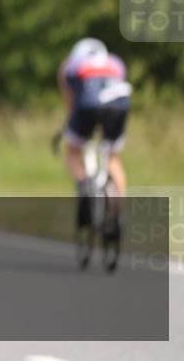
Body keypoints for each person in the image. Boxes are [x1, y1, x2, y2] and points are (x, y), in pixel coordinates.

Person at [57, 37, 132, 231]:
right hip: (119, 104)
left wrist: (68, 126)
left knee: (73, 151)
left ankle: (83, 186)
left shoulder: (70, 65)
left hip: (87, 105)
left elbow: (71, 101)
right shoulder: (116, 62)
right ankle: (118, 214)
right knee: (113, 157)